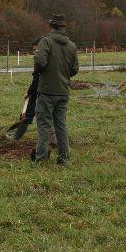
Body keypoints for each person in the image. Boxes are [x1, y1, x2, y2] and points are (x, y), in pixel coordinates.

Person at [32, 14, 79, 165]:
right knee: (61, 125)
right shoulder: (72, 46)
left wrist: (40, 70)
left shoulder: (46, 41)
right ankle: (64, 159)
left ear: (51, 26)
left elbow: (40, 61)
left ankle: (41, 159)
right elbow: (74, 69)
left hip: (47, 91)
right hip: (63, 91)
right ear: (63, 27)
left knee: (44, 125)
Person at [8, 37, 55, 144]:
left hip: (41, 90)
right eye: (34, 50)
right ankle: (54, 139)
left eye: (37, 50)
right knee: (51, 115)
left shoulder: (40, 59)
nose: (35, 52)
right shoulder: (53, 56)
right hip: (52, 89)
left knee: (29, 113)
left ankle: (16, 137)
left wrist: (30, 92)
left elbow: (37, 77)